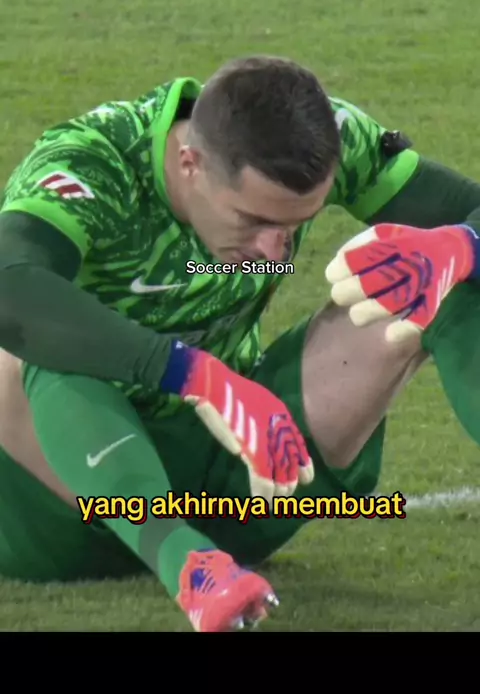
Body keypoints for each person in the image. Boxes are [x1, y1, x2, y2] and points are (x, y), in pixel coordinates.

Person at [0, 55, 479, 633]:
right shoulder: (95, 165)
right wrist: (193, 375)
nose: (276, 251)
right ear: (190, 163)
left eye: (294, 225)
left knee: (444, 270)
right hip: (58, 512)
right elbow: (10, 288)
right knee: (37, 336)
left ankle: (210, 556)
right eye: (253, 221)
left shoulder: (332, 138)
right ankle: (190, 568)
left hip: (246, 483)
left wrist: (464, 244)